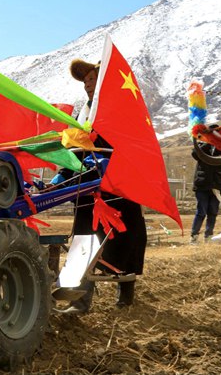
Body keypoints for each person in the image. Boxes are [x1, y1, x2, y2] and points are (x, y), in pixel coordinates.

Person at [55, 59, 148, 313]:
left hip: (119, 186)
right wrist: (62, 175)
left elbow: (131, 142)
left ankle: (125, 295)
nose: (87, 85)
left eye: (92, 79)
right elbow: (74, 149)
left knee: (125, 239)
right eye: (84, 82)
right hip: (87, 186)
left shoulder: (121, 109)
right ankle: (80, 300)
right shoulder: (82, 114)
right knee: (85, 238)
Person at [190, 136, 221, 244]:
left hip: (217, 186)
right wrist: (208, 142)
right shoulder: (202, 146)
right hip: (203, 185)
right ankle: (194, 236)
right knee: (201, 211)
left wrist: (219, 143)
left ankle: (208, 236)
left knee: (213, 212)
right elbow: (195, 154)